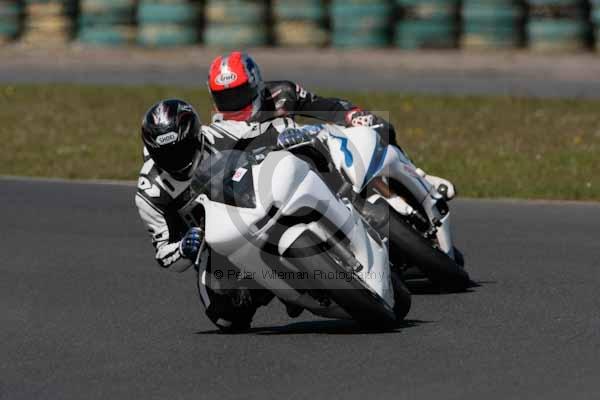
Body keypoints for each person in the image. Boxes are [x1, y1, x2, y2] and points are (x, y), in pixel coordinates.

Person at [207, 51, 455, 199]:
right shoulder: (217, 133)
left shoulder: (281, 93)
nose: (234, 102)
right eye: (225, 97)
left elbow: (326, 106)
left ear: (255, 84)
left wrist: (353, 116)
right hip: (281, 186)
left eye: (239, 93)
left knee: (379, 127)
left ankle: (419, 177)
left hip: (316, 156)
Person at [135, 99, 272, 333]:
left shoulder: (219, 134)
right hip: (216, 242)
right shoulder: (150, 192)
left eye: (181, 149)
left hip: (259, 202)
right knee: (226, 318)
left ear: (196, 135)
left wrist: (288, 136)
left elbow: (267, 130)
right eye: (165, 155)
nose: (175, 159)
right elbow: (164, 253)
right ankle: (265, 287)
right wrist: (183, 248)